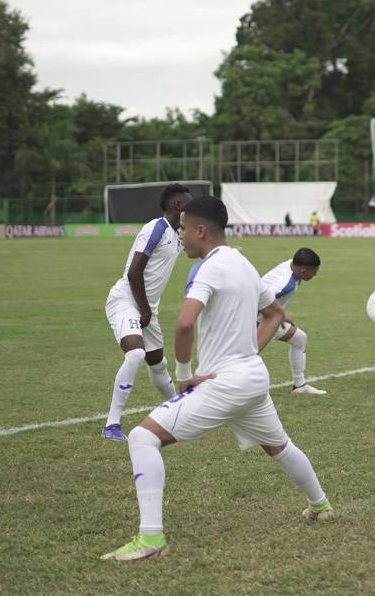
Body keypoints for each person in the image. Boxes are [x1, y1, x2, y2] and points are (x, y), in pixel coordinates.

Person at [101, 196, 333, 562]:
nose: (180, 238)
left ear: (200, 230)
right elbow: (274, 315)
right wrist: (249, 354)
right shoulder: (244, 262)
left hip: (226, 383)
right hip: (253, 379)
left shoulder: (207, 268)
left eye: (183, 230)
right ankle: (321, 506)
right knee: (279, 446)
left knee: (144, 437)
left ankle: (150, 539)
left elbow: (184, 323)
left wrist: (183, 376)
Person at [102, 183, 192, 442]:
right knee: (136, 354)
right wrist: (144, 309)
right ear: (177, 206)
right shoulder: (157, 227)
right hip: (126, 300)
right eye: (189, 201)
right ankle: (112, 425)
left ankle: (178, 413)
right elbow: (134, 271)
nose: (192, 205)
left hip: (147, 307)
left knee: (158, 364)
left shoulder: (177, 234)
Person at [260, 248, 326, 396]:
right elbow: (258, 298)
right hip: (255, 318)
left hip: (269, 316)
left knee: (299, 338)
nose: (315, 274)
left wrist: (280, 314)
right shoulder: (285, 284)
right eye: (314, 272)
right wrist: (276, 316)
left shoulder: (291, 265)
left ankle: (299, 385)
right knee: (247, 356)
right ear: (303, 271)